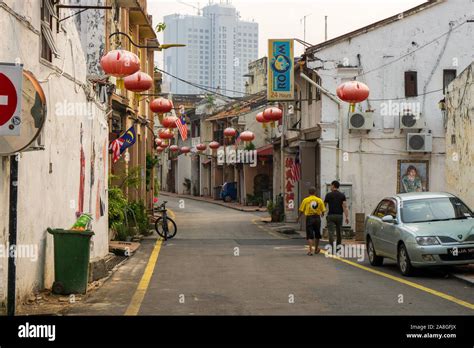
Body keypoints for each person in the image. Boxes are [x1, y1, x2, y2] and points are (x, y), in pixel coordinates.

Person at [297, 187, 326, 256]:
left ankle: (310, 250)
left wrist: (298, 217)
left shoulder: (306, 200)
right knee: (317, 234)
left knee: (310, 235)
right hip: (317, 218)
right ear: (315, 192)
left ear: (309, 192)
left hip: (309, 218)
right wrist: (322, 214)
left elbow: (301, 210)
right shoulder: (319, 200)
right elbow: (323, 210)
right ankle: (316, 249)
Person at [324, 181, 349, 248]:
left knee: (331, 232)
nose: (330, 187)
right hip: (339, 216)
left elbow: (325, 205)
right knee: (339, 232)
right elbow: (344, 206)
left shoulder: (328, 195)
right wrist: (346, 217)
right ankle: (338, 246)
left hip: (331, 215)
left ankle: (331, 247)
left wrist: (322, 212)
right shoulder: (342, 195)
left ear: (333, 186)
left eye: (331, 185)